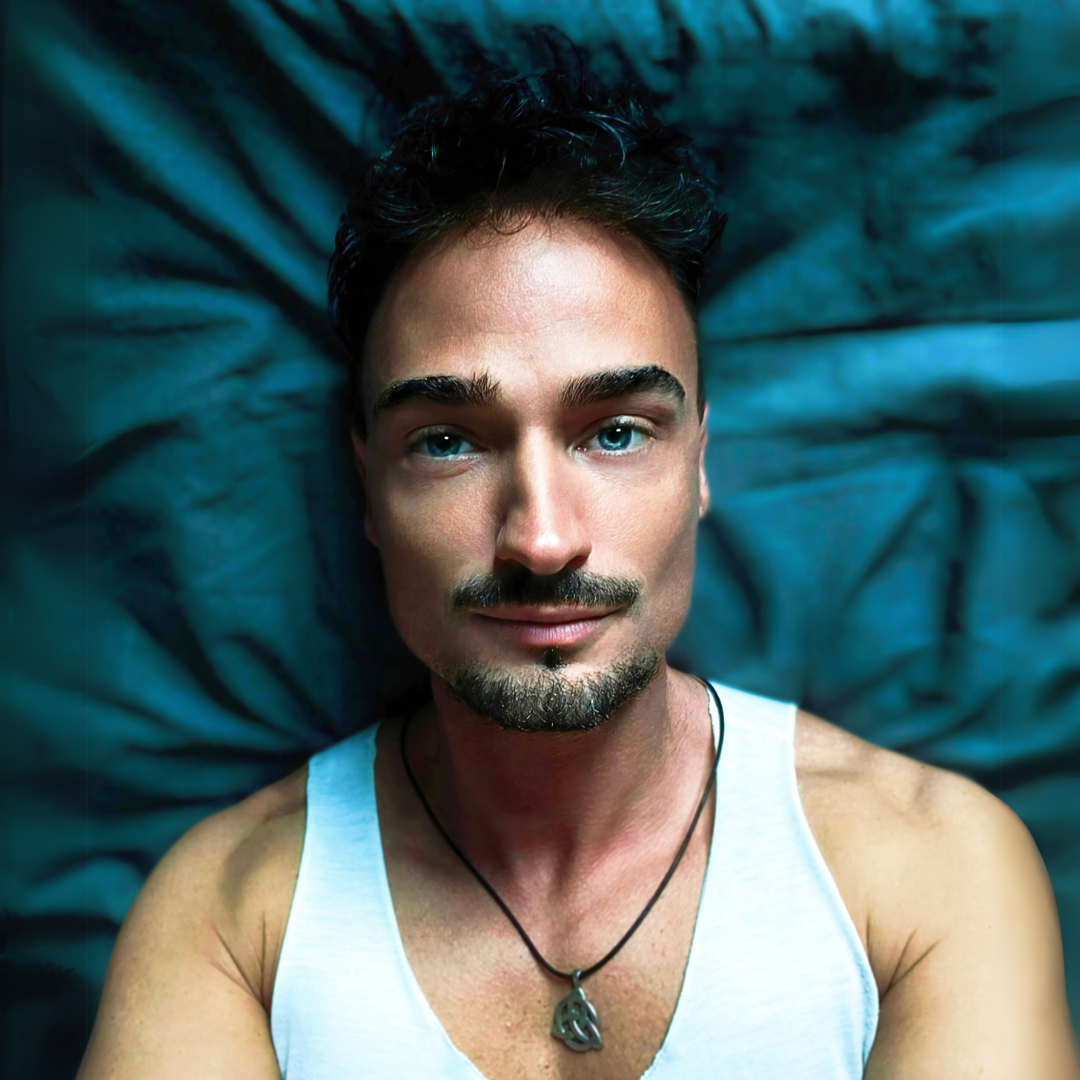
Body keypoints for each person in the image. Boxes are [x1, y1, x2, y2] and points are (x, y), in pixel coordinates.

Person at [76, 66, 1079, 1080]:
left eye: (614, 433)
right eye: (448, 442)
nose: (543, 540)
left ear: (699, 463)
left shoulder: (930, 874)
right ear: (368, 488)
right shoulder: (231, 919)